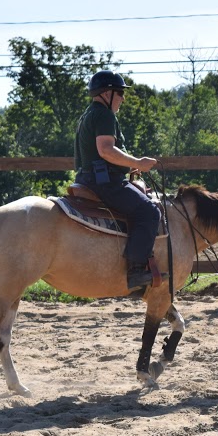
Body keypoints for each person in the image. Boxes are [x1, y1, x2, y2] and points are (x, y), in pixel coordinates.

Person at [74, 70, 160, 291]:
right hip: (105, 183)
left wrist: (128, 165)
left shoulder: (88, 114)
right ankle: (136, 271)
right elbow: (105, 150)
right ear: (108, 93)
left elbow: (98, 154)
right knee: (149, 211)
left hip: (89, 177)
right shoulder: (104, 115)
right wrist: (139, 163)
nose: (123, 97)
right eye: (120, 92)